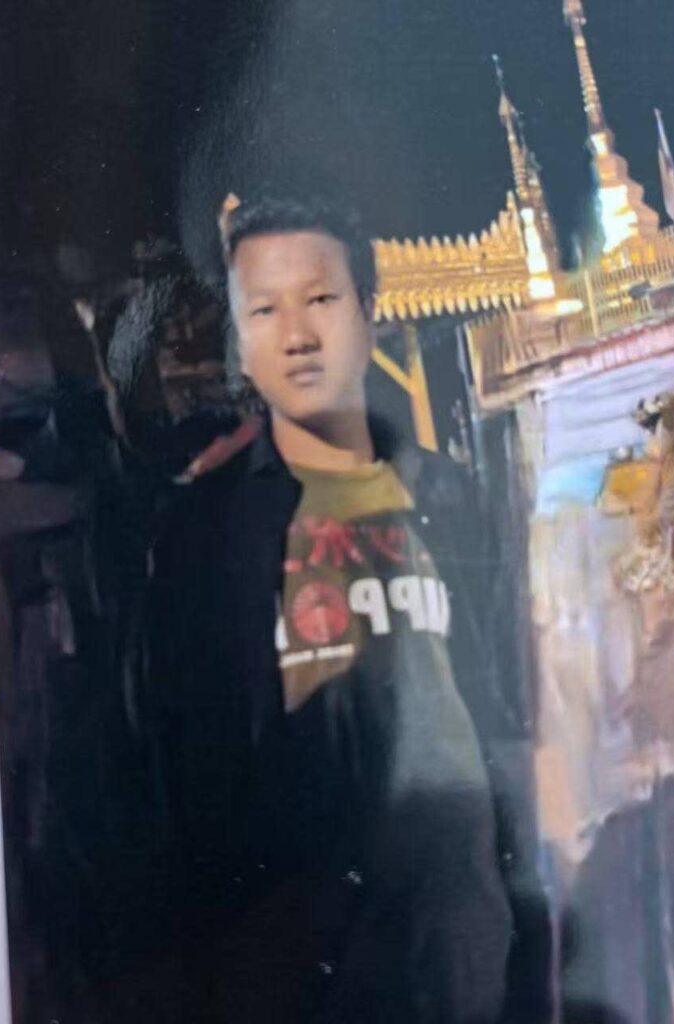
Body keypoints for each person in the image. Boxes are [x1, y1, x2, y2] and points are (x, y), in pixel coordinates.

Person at [138, 191, 549, 1024]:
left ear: (368, 307)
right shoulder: (205, 535)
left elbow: (511, 716)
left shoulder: (449, 496)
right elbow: (184, 781)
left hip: (462, 951)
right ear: (240, 336)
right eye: (264, 309)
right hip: (309, 972)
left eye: (320, 298)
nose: (296, 334)